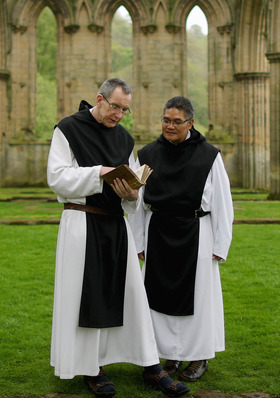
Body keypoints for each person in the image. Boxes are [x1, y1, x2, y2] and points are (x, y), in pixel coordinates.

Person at [46, 78, 189, 398]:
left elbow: (134, 189)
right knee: (86, 295)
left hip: (115, 226)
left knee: (131, 298)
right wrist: (98, 173)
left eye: (125, 110)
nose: (119, 115)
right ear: (99, 98)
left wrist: (131, 192)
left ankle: (150, 365)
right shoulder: (68, 129)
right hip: (82, 223)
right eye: (115, 107)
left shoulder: (124, 138)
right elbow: (56, 178)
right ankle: (92, 368)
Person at [130, 96, 234, 382]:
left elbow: (223, 203)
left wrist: (220, 245)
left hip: (196, 233)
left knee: (199, 298)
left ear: (190, 123)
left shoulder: (209, 155)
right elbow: (138, 203)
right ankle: (169, 357)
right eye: (166, 120)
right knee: (157, 299)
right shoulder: (147, 154)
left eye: (177, 121)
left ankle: (199, 357)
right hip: (158, 232)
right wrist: (138, 242)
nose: (170, 125)